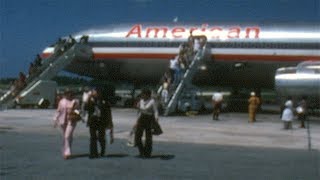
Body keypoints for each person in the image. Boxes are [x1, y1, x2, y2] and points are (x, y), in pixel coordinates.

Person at [86, 89, 113, 158]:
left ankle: (102, 150)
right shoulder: (91, 101)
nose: (94, 94)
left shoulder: (105, 102)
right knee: (93, 137)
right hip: (93, 120)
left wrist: (110, 122)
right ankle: (93, 153)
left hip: (101, 121)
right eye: (93, 93)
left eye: (96, 92)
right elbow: (85, 108)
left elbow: (108, 113)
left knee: (101, 137)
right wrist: (88, 98)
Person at [54, 90, 80, 159]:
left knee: (67, 136)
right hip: (62, 121)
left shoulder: (75, 101)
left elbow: (78, 111)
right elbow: (58, 110)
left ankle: (67, 153)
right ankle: (65, 149)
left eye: (71, 94)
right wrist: (55, 119)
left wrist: (74, 111)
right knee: (67, 137)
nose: (69, 95)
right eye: (68, 94)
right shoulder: (62, 101)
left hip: (71, 121)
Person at [135, 88, 159, 158]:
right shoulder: (141, 101)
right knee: (137, 136)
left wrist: (156, 120)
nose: (142, 96)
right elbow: (139, 111)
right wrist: (137, 120)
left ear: (147, 95)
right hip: (142, 118)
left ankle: (147, 153)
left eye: (143, 94)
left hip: (149, 119)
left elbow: (155, 111)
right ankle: (141, 151)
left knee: (148, 137)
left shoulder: (152, 101)